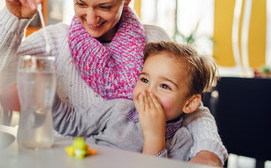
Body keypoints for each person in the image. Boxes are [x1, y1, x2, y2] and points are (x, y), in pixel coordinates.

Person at [0, 0, 224, 165]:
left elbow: (189, 108)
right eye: (80, 3)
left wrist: (208, 150)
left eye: (104, 6)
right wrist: (12, 19)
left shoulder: (153, 40)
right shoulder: (54, 41)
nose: (90, 18)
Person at [51, 41, 227, 162]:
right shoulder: (119, 109)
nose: (148, 92)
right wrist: (47, 89)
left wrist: (154, 136)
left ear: (189, 103)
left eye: (165, 86)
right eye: (144, 80)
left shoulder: (181, 140)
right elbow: (69, 122)